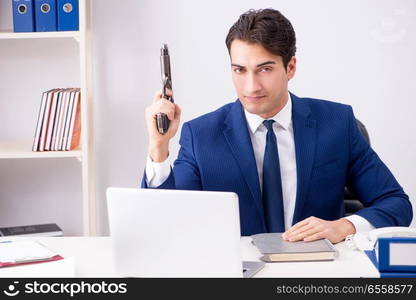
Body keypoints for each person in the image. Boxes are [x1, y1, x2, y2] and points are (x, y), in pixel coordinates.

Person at [141, 8, 412, 243]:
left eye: (265, 69)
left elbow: (397, 204)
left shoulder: (337, 124)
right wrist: (159, 146)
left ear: (290, 67)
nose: (251, 87)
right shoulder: (201, 135)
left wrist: (343, 227)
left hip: (317, 274)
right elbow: (168, 224)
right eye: (240, 70)